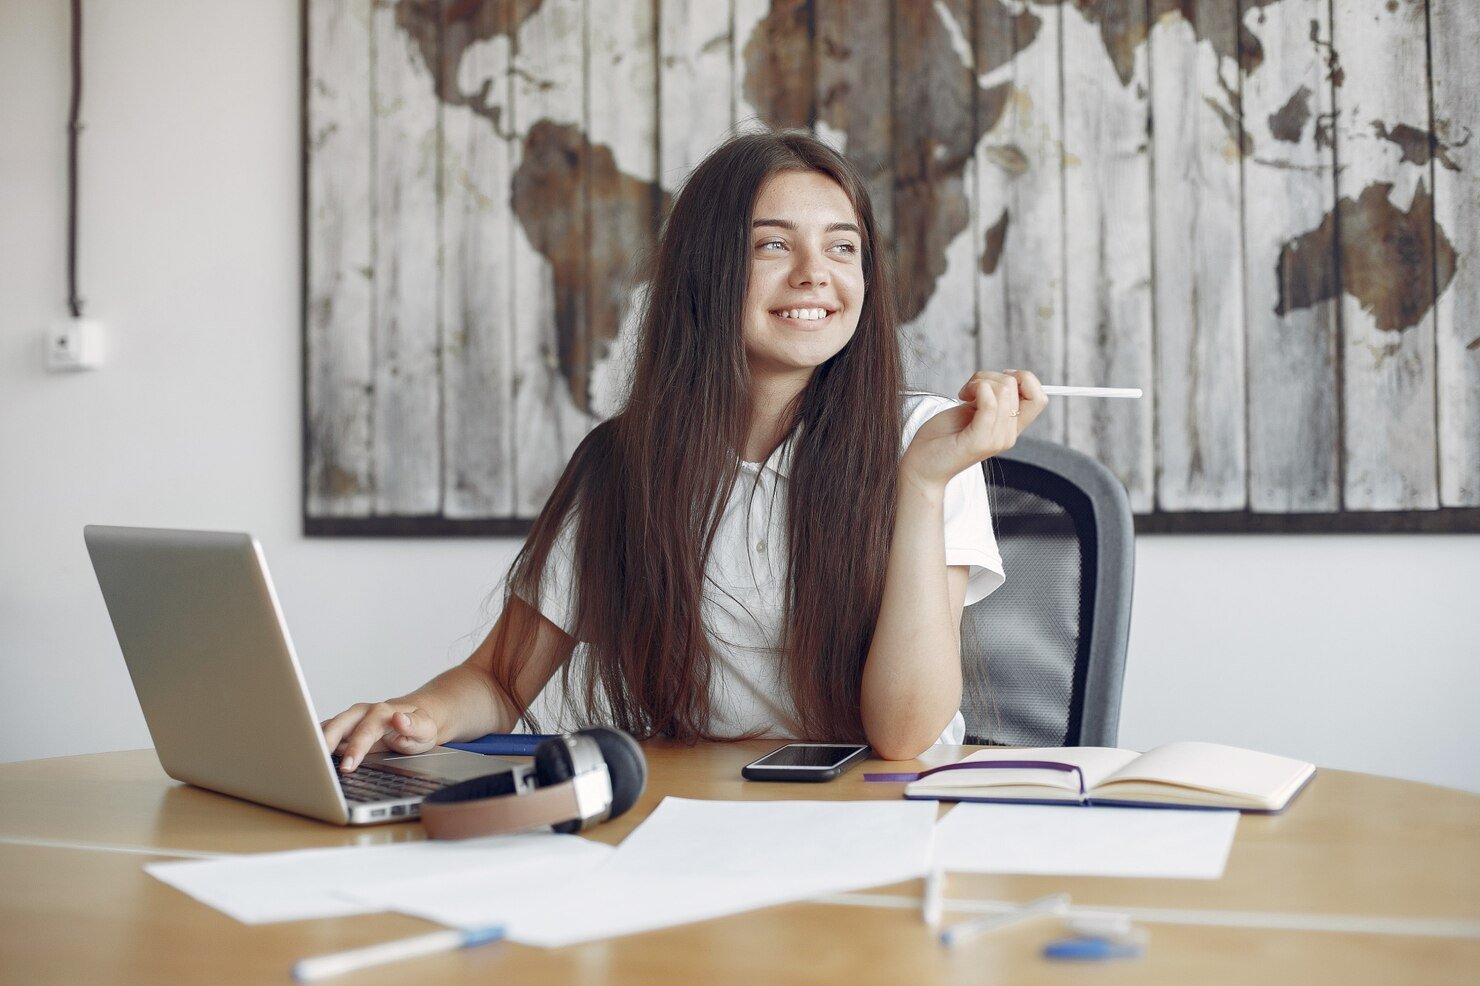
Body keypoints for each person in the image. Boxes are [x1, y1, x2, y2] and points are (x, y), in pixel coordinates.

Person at [322, 129, 1046, 767]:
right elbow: (501, 680)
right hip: (705, 813)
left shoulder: (926, 444)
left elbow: (906, 737)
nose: (814, 273)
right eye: (772, 244)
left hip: (886, 812)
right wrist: (411, 716)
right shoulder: (623, 464)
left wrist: (921, 486)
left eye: (842, 246)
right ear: (707, 269)